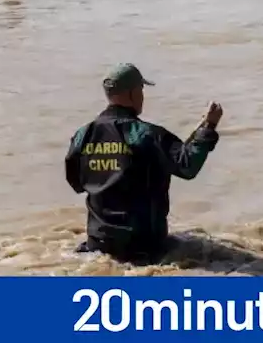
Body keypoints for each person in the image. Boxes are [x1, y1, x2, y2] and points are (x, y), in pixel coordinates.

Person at [64, 63, 223, 265]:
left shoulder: (82, 135)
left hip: (99, 242)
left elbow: (76, 183)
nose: (143, 96)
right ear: (131, 93)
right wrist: (209, 127)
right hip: (145, 247)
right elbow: (187, 166)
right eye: (141, 90)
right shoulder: (148, 134)